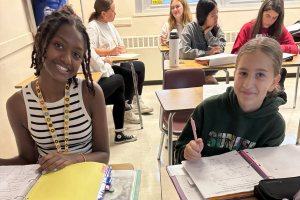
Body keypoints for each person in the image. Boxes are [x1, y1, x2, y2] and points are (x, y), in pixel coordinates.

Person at [0, 9, 110, 174]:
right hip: (48, 183)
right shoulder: (18, 104)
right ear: (39, 42)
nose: (66, 59)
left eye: (76, 54)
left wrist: (73, 158)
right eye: (58, 45)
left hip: (88, 179)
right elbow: (27, 159)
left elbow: (103, 155)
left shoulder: (90, 93)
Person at [175, 37, 286, 164]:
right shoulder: (207, 109)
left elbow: (266, 170)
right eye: (243, 73)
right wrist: (187, 153)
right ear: (235, 74)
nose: (248, 84)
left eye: (260, 75)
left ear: (273, 82)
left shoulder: (275, 125)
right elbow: (179, 155)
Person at [60, 5, 138, 143]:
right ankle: (122, 116)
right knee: (119, 78)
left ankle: (119, 133)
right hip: (82, 91)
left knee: (119, 93)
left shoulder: (58, 46)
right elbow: (99, 66)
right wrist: (107, 62)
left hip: (73, 90)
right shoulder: (81, 41)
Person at [87, 0, 154, 114]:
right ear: (103, 13)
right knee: (131, 75)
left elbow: (121, 45)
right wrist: (110, 52)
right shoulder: (93, 27)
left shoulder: (110, 26)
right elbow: (89, 49)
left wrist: (121, 49)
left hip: (117, 62)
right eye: (112, 11)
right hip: (105, 65)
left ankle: (136, 99)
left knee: (140, 66)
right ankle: (126, 108)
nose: (115, 13)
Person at [231, 0, 299, 90]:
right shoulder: (248, 27)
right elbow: (235, 52)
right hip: (251, 67)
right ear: (261, 12)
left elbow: (295, 48)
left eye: (274, 18)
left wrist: (275, 47)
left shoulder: (279, 28)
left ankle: (276, 88)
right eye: (267, 16)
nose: (269, 21)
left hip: (268, 69)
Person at [179, 0, 226, 84]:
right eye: (213, 15)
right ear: (203, 16)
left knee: (213, 83)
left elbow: (219, 51)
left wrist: (208, 35)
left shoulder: (217, 30)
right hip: (191, 72)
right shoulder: (190, 28)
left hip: (208, 73)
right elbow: (183, 52)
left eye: (217, 13)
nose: (217, 17)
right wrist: (208, 53)